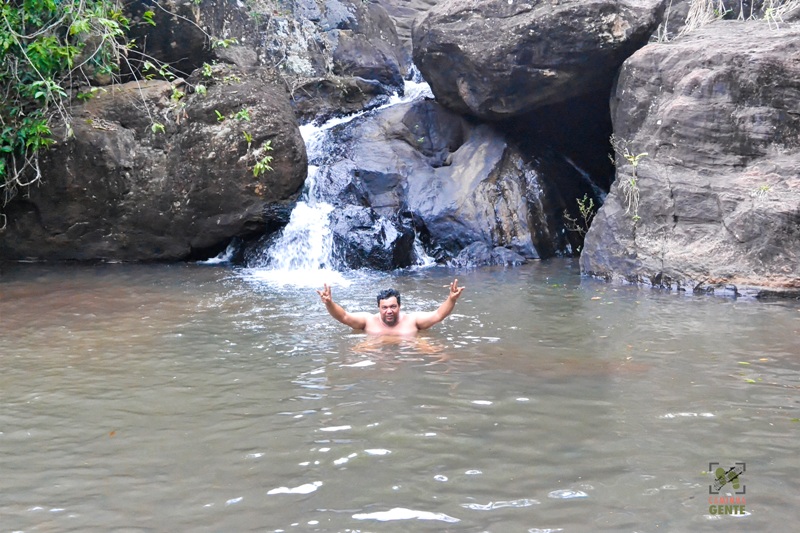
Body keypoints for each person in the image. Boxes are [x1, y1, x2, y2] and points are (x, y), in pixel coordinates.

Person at [317, 279, 465, 336]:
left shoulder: (412, 320)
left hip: (408, 351)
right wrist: (329, 303)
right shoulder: (368, 321)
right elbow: (343, 316)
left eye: (393, 306)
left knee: (436, 352)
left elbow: (438, 315)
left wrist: (451, 299)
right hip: (376, 352)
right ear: (379, 308)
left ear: (399, 306)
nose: (389, 311)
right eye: (385, 307)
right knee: (354, 354)